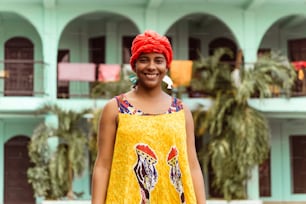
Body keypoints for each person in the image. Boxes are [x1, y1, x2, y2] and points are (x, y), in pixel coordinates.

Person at [91, 30, 206, 204]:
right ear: (134, 65)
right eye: (144, 60)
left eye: (158, 60)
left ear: (166, 66)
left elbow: (192, 165)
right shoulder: (115, 109)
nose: (151, 67)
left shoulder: (181, 111)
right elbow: (102, 166)